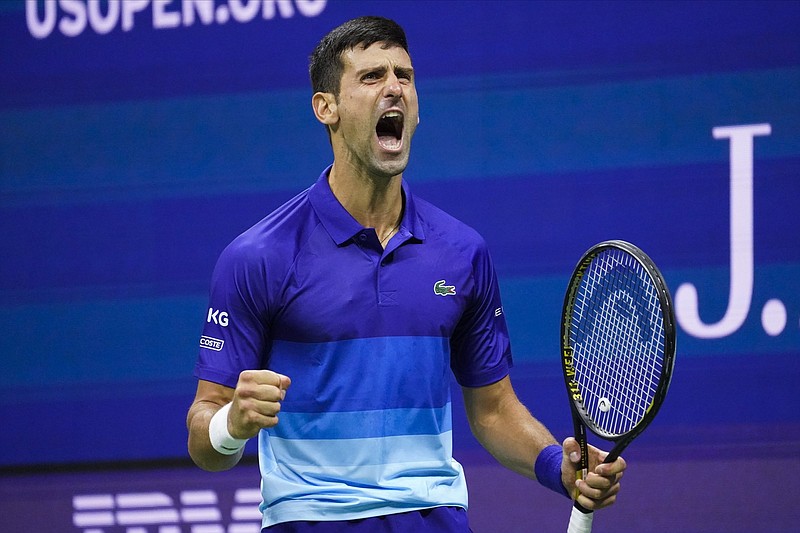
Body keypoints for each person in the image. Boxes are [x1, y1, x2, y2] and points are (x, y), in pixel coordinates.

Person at [187, 15, 626, 532]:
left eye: (405, 76)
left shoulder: (463, 252)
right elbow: (204, 437)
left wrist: (560, 467)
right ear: (325, 107)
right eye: (372, 77)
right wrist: (233, 425)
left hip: (433, 519)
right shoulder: (258, 256)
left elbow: (493, 410)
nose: (394, 88)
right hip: (312, 520)